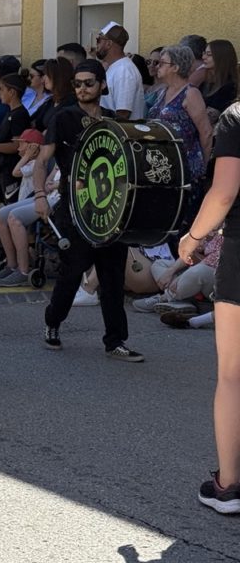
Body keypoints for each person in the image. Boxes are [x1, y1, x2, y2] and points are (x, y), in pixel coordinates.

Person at [34, 59, 144, 361]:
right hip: (75, 209)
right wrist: (40, 194)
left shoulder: (113, 121)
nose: (82, 88)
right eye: (77, 84)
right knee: (71, 274)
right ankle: (53, 322)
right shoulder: (63, 117)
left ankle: (115, 341)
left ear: (102, 85)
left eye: (89, 83)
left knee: (112, 279)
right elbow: (42, 161)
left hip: (110, 209)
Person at [178, 101, 240, 514]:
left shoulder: (236, 117)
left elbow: (224, 192)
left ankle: (229, 485)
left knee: (233, 374)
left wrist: (194, 236)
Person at [148, 44, 213, 225]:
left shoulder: (190, 94)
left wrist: (202, 167)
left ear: (175, 67)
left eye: (162, 63)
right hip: (163, 169)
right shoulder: (163, 92)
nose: (157, 66)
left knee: (182, 223)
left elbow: (206, 132)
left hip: (186, 169)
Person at [0, 129, 60, 287]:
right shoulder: (56, 158)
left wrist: (54, 185)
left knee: (14, 217)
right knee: (1, 215)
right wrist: (49, 185)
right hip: (47, 195)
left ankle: (23, 271)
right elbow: (48, 181)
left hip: (58, 199)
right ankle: (12, 265)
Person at [0, 73, 31, 202]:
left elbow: (17, 145)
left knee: (12, 202)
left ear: (12, 92)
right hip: (4, 167)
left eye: (2, 89)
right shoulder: (10, 112)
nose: (0, 93)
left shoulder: (20, 115)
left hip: (13, 167)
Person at [95, 22, 144, 120]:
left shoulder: (124, 70)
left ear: (108, 44)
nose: (96, 44)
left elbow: (123, 114)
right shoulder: (116, 67)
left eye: (98, 40)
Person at [201, 39, 239, 113]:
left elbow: (211, 115)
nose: (203, 57)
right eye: (204, 53)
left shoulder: (229, 87)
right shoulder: (206, 83)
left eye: (209, 54)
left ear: (221, 57)